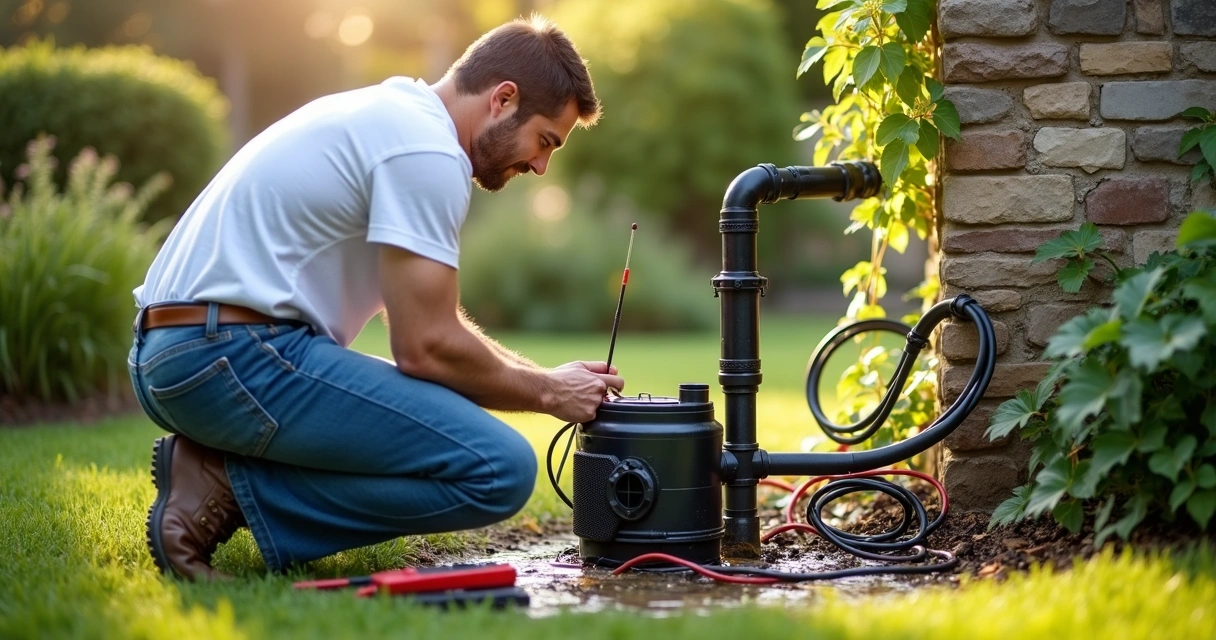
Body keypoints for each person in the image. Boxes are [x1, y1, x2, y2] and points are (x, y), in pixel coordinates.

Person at [127, 15, 624, 581]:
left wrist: (546, 376)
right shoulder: (427, 154)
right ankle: (228, 489)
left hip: (170, 354)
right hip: (230, 357)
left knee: (481, 451)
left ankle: (217, 473)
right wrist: (550, 394)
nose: (539, 165)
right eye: (544, 141)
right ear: (503, 99)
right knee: (499, 468)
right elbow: (426, 348)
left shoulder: (389, 115)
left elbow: (429, 322)